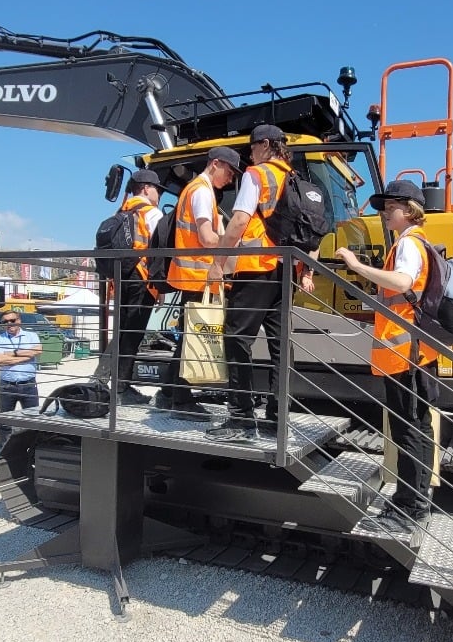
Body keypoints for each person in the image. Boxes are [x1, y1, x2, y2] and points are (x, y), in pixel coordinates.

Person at [333, 180, 438, 528]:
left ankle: (409, 506)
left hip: (403, 354)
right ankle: (417, 499)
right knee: (419, 425)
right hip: (418, 351)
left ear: (408, 209)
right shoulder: (420, 242)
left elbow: (404, 283)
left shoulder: (408, 243)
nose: (383, 212)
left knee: (408, 428)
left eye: (389, 206)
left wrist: (356, 265)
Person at [207, 125, 316, 442]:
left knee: (236, 339)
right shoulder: (296, 180)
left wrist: (217, 263)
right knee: (280, 345)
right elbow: (312, 231)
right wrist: (305, 272)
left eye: (252, 147)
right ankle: (276, 417)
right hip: (286, 272)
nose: (249, 153)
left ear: (266, 145)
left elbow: (239, 220)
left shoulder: (257, 175)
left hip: (256, 268)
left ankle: (241, 419)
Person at [155, 146, 243, 422]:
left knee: (187, 336)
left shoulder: (194, 190)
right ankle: (179, 399)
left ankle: (170, 394)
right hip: (198, 277)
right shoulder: (202, 192)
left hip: (193, 275)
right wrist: (232, 245)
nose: (230, 178)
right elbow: (206, 237)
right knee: (192, 339)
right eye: (229, 171)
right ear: (215, 164)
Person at [109, 169, 164, 405]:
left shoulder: (120, 212)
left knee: (122, 333)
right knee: (133, 334)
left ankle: (118, 385)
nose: (159, 194)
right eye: (157, 189)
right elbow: (159, 251)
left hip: (121, 279)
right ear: (145, 188)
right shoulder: (152, 213)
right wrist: (160, 285)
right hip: (142, 280)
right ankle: (121, 389)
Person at [0, 310, 42, 449]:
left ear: (19, 320)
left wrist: (13, 353)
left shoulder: (31, 336)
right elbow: (0, 360)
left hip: (29, 384)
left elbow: (37, 351)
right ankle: (3, 452)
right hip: (7, 385)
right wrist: (26, 356)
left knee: (32, 419)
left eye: (12, 320)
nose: (9, 324)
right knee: (5, 421)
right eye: (5, 322)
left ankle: (31, 450)